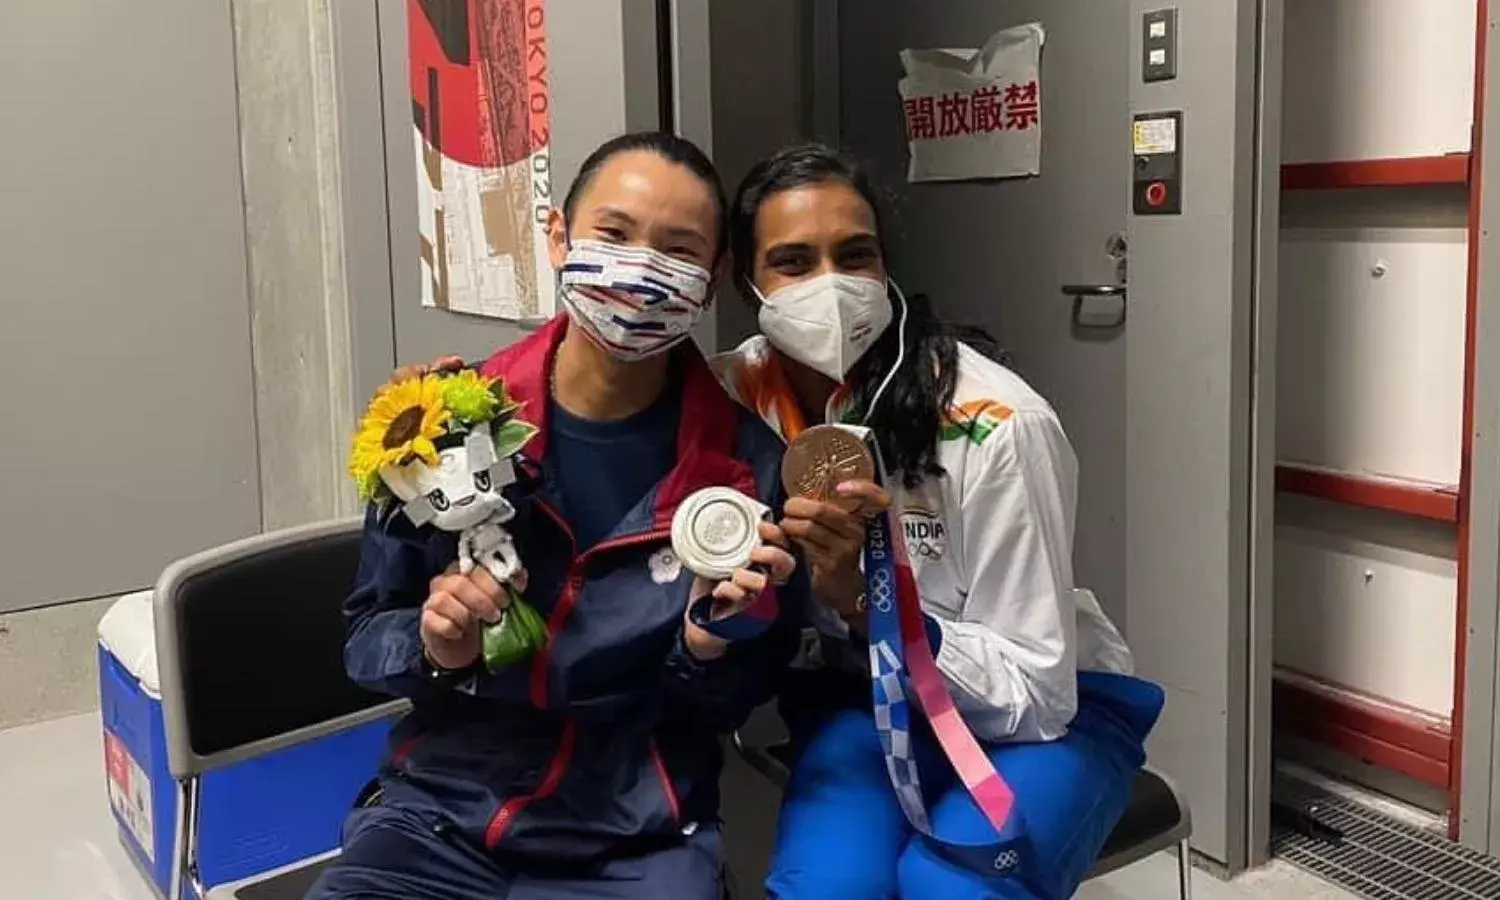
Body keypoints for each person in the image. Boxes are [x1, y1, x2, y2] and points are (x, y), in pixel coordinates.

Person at [308, 132, 804, 900]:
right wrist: (438, 650)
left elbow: (734, 702)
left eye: (678, 250)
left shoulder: (748, 471)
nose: (641, 271)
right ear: (558, 237)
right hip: (439, 818)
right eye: (615, 234)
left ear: (711, 281)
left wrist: (708, 647)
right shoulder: (443, 428)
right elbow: (367, 635)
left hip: (633, 840)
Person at [714, 143, 1165, 900]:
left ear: (885, 267)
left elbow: (1038, 694)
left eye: (853, 255)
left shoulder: (996, 422)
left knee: (950, 888)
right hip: (863, 698)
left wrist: (869, 603)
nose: (829, 286)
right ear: (746, 281)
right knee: (827, 889)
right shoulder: (734, 395)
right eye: (792, 262)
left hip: (1042, 715)